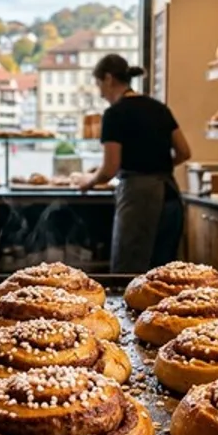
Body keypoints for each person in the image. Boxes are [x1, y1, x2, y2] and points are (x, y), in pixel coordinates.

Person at [80, 54, 191, 273]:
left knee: (128, 274)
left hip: (139, 200)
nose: (101, 93)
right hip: (169, 196)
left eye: (99, 84)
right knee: (165, 275)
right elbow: (184, 152)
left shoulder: (114, 114)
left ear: (109, 79)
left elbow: (110, 167)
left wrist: (89, 181)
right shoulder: (159, 108)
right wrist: (157, 166)